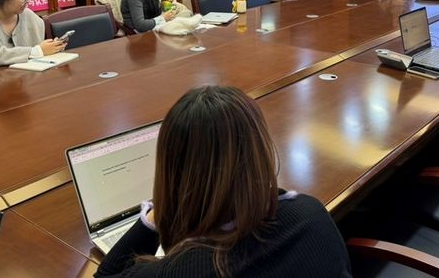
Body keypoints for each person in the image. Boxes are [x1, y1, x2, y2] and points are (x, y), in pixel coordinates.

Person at [95, 85, 351, 278]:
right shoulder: (310, 212)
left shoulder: (181, 269)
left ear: (172, 174)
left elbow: (107, 274)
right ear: (258, 153)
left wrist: (158, 213)